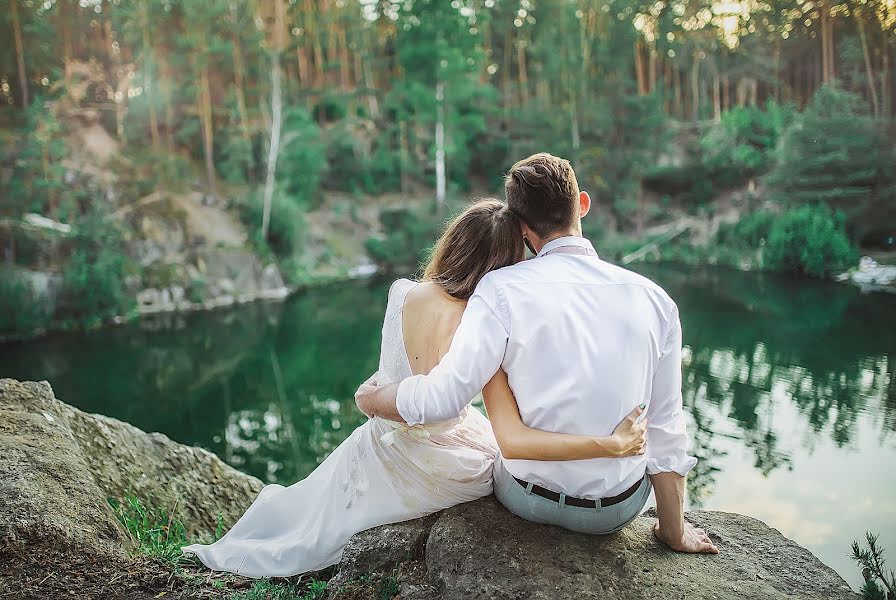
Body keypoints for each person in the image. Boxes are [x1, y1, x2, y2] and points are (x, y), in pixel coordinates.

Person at [183, 199, 650, 578]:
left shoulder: (403, 293)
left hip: (388, 437)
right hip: (446, 462)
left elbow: (389, 381)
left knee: (310, 503)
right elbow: (480, 412)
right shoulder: (486, 324)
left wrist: (372, 398)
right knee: (502, 459)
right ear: (506, 262)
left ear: (455, 244)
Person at [356, 154, 719, 554]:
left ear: (523, 229)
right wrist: (674, 531)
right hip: (616, 511)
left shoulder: (498, 291)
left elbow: (441, 399)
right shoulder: (655, 300)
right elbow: (666, 429)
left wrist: (374, 398)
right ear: (582, 204)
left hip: (525, 500)